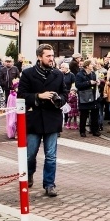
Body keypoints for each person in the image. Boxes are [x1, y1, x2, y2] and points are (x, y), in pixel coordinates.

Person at [18, 44, 67, 197]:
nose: (51, 59)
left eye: (52, 56)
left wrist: (59, 99)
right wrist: (39, 96)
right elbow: (21, 95)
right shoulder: (28, 74)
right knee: (30, 154)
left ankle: (49, 184)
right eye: (48, 56)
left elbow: (64, 93)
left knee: (51, 155)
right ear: (39, 57)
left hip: (52, 119)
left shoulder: (58, 74)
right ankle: (29, 173)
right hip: (35, 119)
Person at [75, 59, 101, 137]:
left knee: (95, 114)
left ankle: (94, 130)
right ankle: (82, 131)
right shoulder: (80, 74)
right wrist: (89, 82)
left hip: (93, 96)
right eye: (91, 64)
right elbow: (78, 85)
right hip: (84, 97)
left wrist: (98, 82)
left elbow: (95, 82)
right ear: (87, 66)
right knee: (83, 115)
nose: (93, 65)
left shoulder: (93, 74)